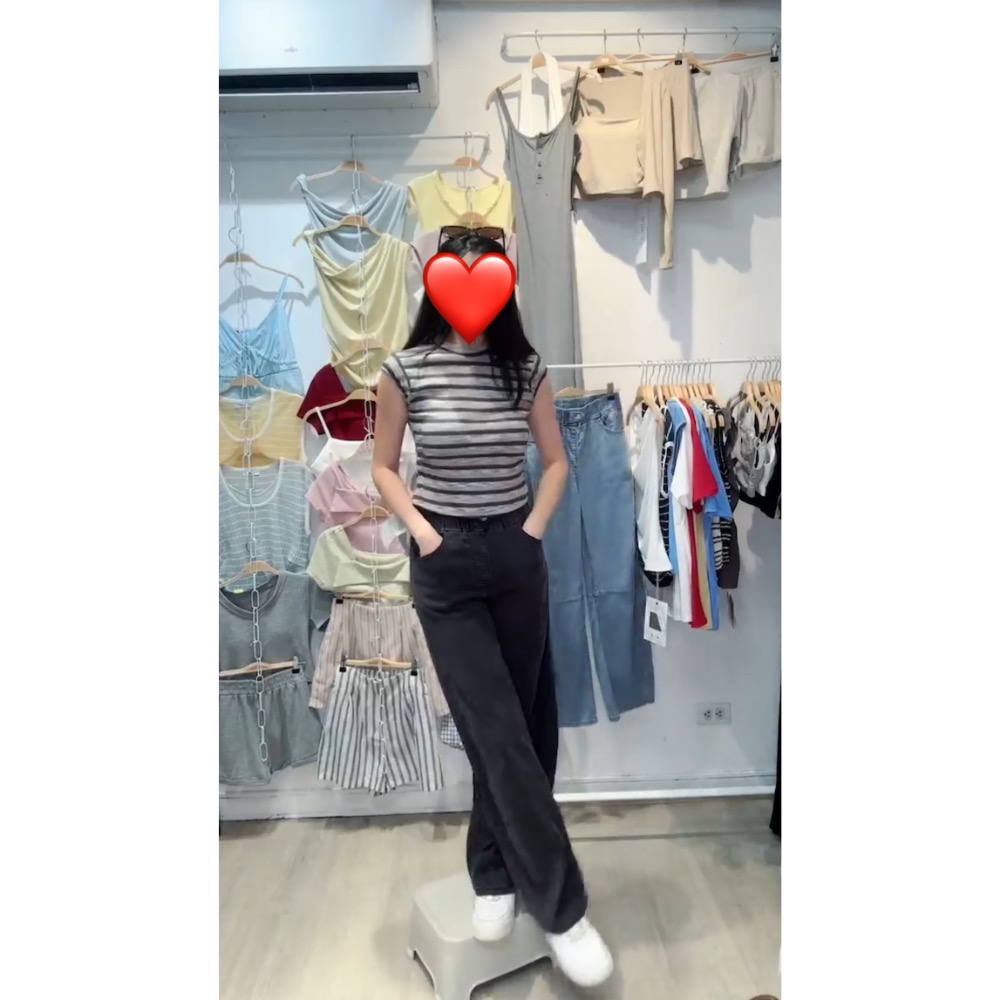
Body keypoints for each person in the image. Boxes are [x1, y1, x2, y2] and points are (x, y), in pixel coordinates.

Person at [372, 231, 614, 988]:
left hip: (514, 555)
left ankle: (495, 874)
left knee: (525, 729)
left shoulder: (524, 368)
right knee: (497, 731)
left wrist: (531, 529)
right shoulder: (405, 369)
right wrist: (423, 533)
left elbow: (556, 460)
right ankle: (564, 910)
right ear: (436, 286)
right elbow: (382, 467)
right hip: (445, 567)